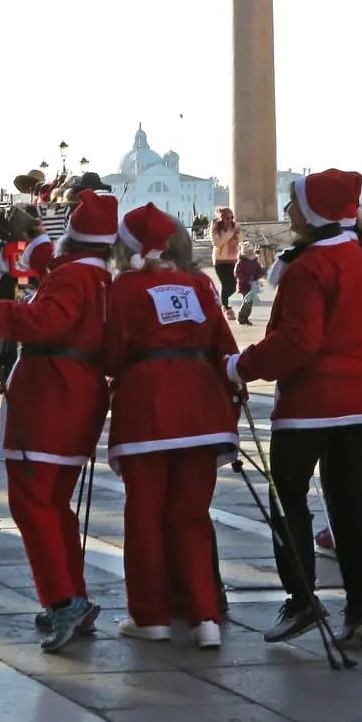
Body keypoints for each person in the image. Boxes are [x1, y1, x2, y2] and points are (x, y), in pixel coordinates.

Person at [231, 170, 362, 650]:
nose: (287, 213)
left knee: (287, 496)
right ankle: (358, 603)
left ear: (312, 212)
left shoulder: (307, 266)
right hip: (361, 402)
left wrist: (239, 367)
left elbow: (297, 342)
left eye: (293, 205)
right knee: (349, 500)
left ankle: (302, 597)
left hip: (310, 402)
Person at [0, 191, 117, 652]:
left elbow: (42, 323)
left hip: (49, 395)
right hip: (78, 393)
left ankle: (63, 601)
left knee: (32, 502)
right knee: (54, 504)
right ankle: (70, 594)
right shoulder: (100, 279)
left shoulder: (71, 277)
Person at [103, 203, 239, 649]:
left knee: (144, 516)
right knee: (191, 516)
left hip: (147, 408)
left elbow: (110, 353)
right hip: (201, 407)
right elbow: (224, 347)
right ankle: (205, 617)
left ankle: (151, 615)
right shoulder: (200, 284)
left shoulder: (125, 289)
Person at [211, 206, 241, 309]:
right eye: (227, 218)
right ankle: (225, 306)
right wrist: (231, 232)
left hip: (233, 260)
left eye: (232, 217)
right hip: (220, 261)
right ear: (221, 218)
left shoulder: (234, 226)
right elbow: (217, 242)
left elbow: (241, 240)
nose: (230, 220)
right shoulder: (215, 227)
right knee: (226, 284)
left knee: (233, 285)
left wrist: (238, 232)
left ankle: (221, 302)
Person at [234, 246, 267, 325]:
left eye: (251, 252)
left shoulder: (255, 262)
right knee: (246, 302)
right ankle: (241, 317)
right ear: (244, 253)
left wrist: (259, 277)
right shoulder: (240, 262)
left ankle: (245, 318)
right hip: (244, 286)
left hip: (253, 286)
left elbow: (260, 271)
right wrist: (246, 280)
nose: (250, 254)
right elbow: (237, 273)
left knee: (250, 303)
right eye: (248, 252)